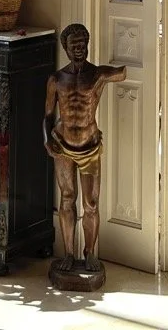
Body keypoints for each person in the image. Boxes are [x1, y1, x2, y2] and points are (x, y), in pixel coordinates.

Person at [43, 24, 126, 273]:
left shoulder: (98, 75)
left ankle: (89, 253)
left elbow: (122, 72)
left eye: (83, 43)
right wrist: (47, 140)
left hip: (90, 147)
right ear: (65, 49)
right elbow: (48, 114)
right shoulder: (56, 79)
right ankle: (68, 253)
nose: (79, 49)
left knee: (91, 203)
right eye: (74, 45)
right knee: (67, 199)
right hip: (62, 145)